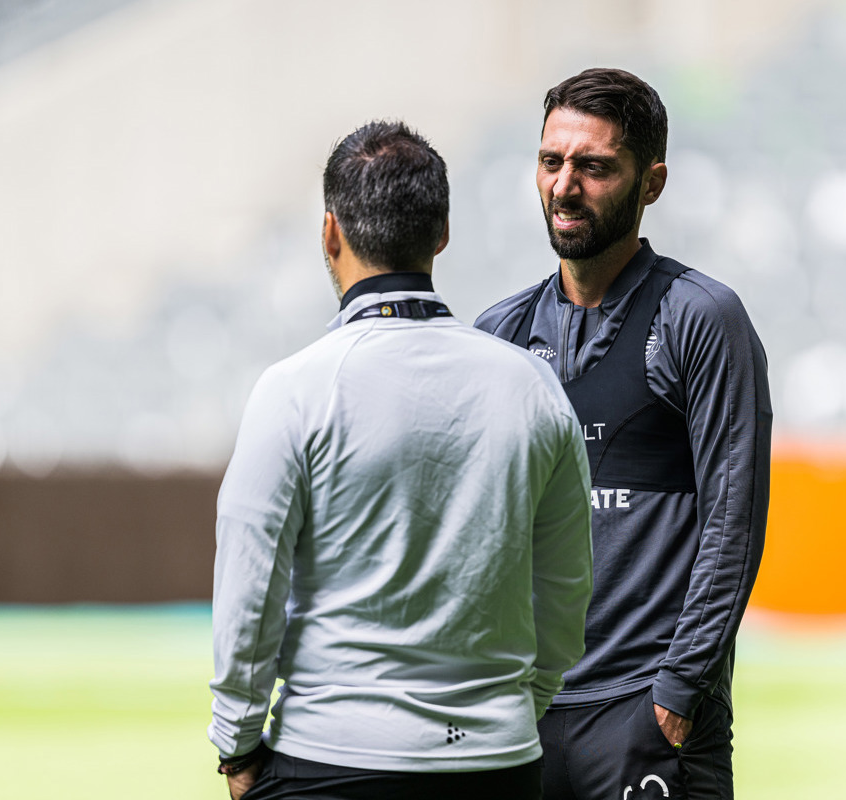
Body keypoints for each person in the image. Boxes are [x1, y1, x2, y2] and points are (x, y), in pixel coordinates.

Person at [209, 120, 594, 800]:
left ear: (330, 233)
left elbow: (250, 588)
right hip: (496, 762)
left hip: (329, 759)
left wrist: (237, 744)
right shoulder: (532, 387)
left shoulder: (294, 389)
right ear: (442, 233)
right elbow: (565, 591)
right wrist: (516, 710)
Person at [475, 68, 772, 799]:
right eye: (551, 162)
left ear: (652, 183)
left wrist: (675, 696)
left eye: (595, 167)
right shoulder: (498, 334)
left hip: (647, 714)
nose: (564, 186)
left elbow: (733, 524)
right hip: (521, 719)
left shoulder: (701, 318)